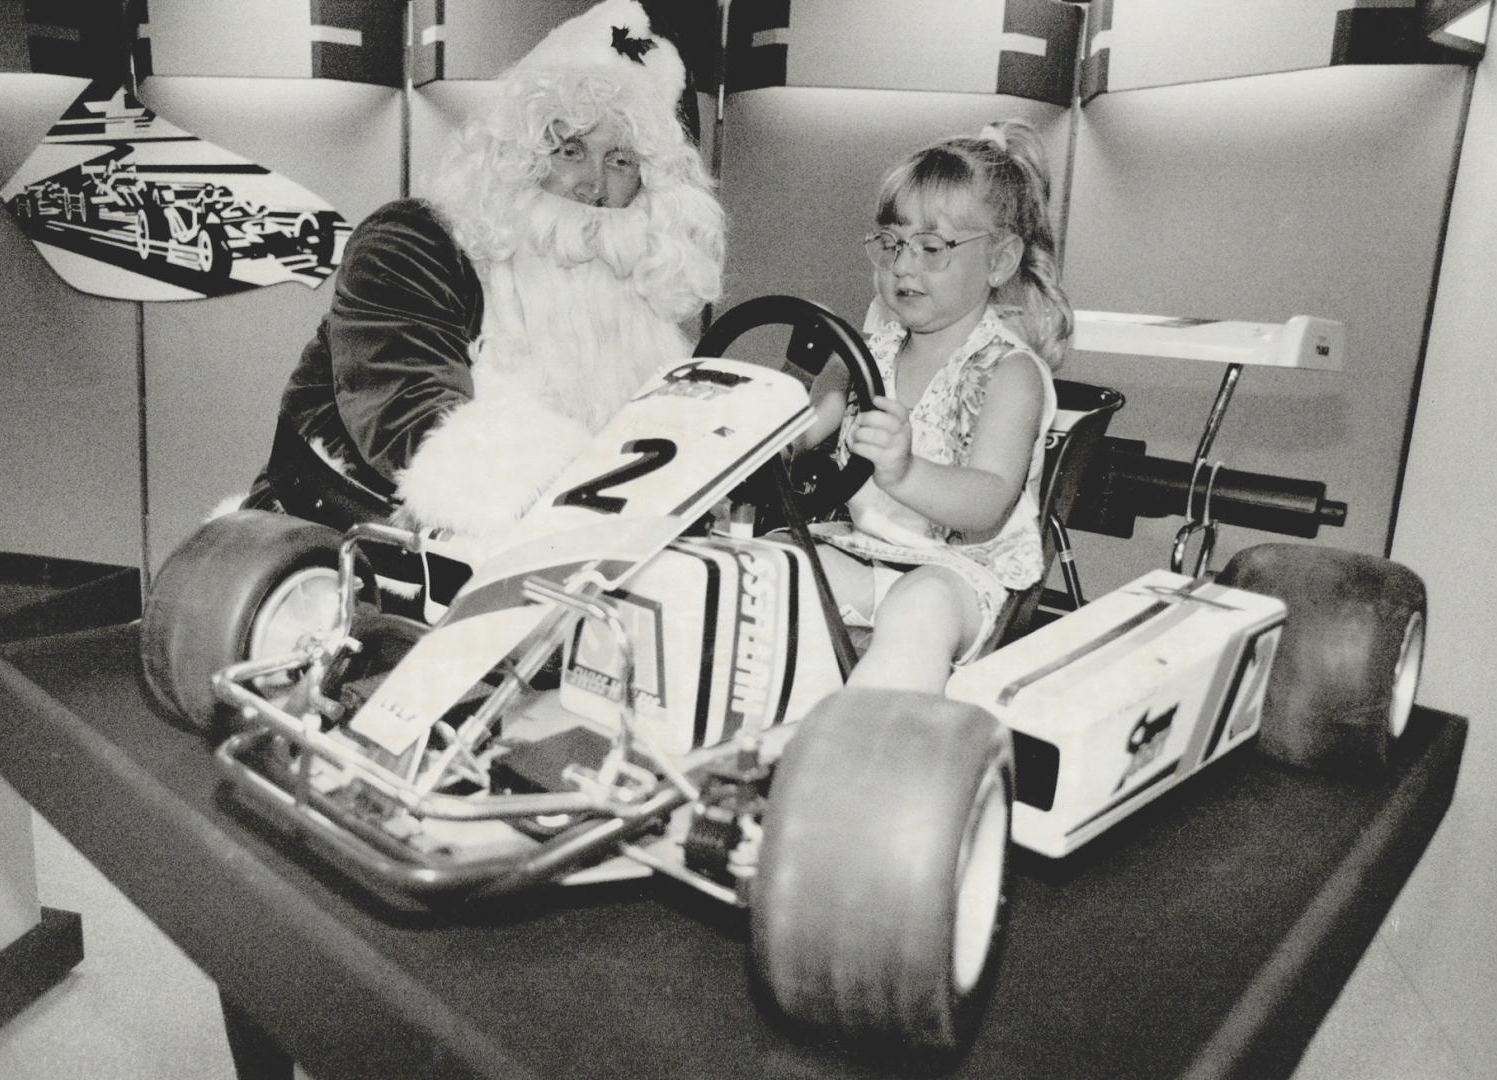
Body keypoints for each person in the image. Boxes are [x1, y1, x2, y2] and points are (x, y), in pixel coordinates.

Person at [242, 0, 724, 560]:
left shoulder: (631, 283)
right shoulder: (414, 243)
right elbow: (413, 419)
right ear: (522, 155)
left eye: (620, 161)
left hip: (544, 577)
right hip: (325, 564)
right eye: (571, 150)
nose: (592, 186)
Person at [796, 121, 1074, 693]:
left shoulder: (1009, 373)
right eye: (892, 243)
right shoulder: (870, 353)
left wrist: (904, 471)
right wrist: (754, 427)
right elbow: (804, 426)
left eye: (931, 248)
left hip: (965, 580)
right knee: (773, 565)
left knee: (920, 607)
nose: (902, 266)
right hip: (868, 555)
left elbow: (988, 500)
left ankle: (878, 745)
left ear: (999, 262)